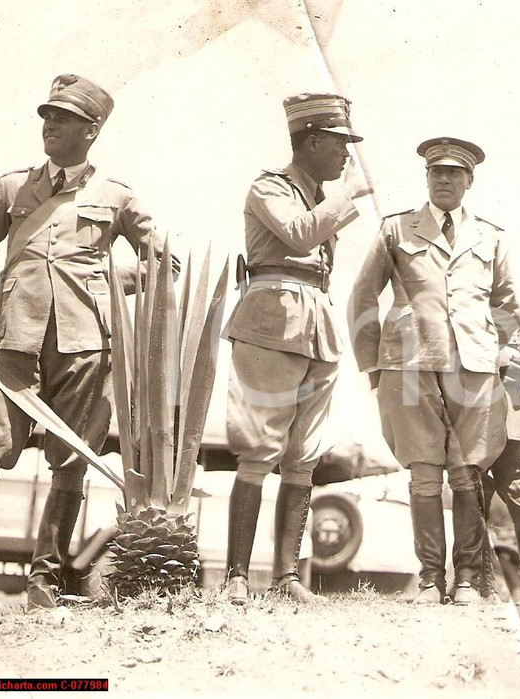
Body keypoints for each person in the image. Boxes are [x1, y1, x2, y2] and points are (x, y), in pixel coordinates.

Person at [0, 74, 178, 610]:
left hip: (84, 344)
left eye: (62, 118)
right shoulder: (14, 186)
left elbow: (166, 262)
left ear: (92, 129)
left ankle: (44, 582)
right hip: (9, 337)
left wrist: (106, 283)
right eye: (46, 116)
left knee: (71, 460)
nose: (49, 125)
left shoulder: (117, 195)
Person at [349, 137, 520, 605]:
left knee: (467, 474)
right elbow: (363, 298)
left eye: (454, 173)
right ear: (426, 178)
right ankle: (429, 579)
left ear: (470, 181)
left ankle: (465, 578)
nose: (444, 180)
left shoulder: (491, 236)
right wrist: (372, 366)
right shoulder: (396, 228)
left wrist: (512, 359)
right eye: (436, 172)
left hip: (476, 367)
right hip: (409, 365)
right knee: (424, 475)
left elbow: (507, 305)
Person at [222, 93, 372, 605]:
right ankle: (237, 577)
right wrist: (347, 195)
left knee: (304, 455)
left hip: (316, 323)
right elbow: (300, 236)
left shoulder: (315, 194)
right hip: (271, 320)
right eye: (339, 143)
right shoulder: (271, 186)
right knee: (259, 449)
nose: (346, 155)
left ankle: (286, 578)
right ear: (310, 140)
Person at [481, 322, 520, 597]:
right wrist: (501, 357)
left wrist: (484, 359)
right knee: (473, 504)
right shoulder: (462, 314)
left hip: (511, 427)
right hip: (473, 425)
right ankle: (482, 586)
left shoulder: (514, 323)